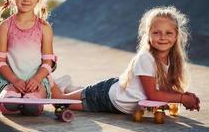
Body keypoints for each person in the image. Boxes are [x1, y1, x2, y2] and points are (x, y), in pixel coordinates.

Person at [52, 6, 200, 114]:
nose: (163, 37)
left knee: (71, 96)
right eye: (156, 32)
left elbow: (162, 89)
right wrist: (182, 98)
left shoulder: (173, 59)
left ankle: (69, 87)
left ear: (176, 36)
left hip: (119, 90)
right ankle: (48, 79)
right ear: (148, 34)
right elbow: (153, 95)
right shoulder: (145, 58)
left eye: (168, 33)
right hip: (105, 97)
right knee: (60, 101)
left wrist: (185, 96)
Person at [0, 0, 58, 116]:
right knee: (10, 103)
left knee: (31, 107)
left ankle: (33, 100)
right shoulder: (5, 26)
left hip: (37, 81)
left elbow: (49, 61)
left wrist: (37, 79)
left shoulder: (44, 28)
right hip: (10, 80)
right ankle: (10, 99)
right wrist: (14, 80)